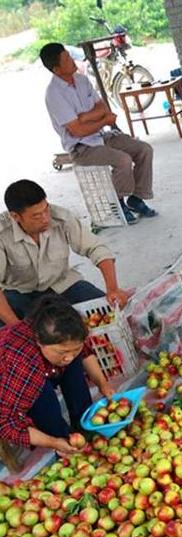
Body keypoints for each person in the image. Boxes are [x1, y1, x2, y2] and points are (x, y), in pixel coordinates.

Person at [40, 42, 157, 224]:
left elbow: (102, 106)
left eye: (70, 56)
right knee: (123, 160)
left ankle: (137, 197)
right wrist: (102, 120)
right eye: (67, 59)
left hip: (101, 136)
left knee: (144, 149)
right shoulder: (54, 94)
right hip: (82, 148)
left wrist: (85, 117)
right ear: (56, 69)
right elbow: (77, 131)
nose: (72, 61)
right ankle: (118, 205)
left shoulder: (81, 80)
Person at [0, 179, 130, 326]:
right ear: (15, 216)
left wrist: (113, 289)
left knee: (109, 312)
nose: (45, 218)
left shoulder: (61, 217)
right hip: (19, 292)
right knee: (10, 332)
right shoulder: (2, 233)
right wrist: (15, 327)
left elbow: (96, 248)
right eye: (36, 216)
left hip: (62, 284)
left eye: (46, 209)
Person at [0, 296, 114, 457]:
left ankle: (84, 423)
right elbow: (5, 423)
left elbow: (84, 352)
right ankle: (63, 441)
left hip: (36, 367)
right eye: (62, 352)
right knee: (43, 397)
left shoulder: (64, 332)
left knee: (73, 362)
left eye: (74, 349)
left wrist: (103, 384)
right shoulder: (24, 363)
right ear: (40, 342)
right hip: (9, 384)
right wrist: (52, 442)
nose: (68, 356)